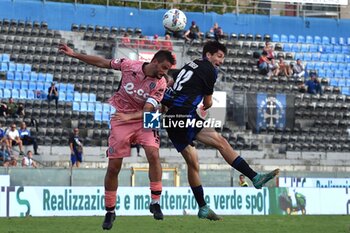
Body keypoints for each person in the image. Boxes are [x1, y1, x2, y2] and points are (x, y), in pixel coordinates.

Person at [59, 43, 175, 230]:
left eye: (167, 70)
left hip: (146, 116)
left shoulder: (160, 84)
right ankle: (110, 211)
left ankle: (155, 201)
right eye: (163, 68)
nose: (165, 73)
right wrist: (74, 54)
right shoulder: (129, 65)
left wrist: (130, 116)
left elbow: (148, 109)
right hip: (121, 116)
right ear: (154, 61)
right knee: (114, 167)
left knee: (154, 155)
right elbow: (102, 62)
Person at [162, 41, 279, 220]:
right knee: (221, 143)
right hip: (184, 115)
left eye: (223, 58)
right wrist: (203, 109)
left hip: (172, 119)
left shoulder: (191, 64)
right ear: (208, 55)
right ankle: (254, 177)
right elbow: (208, 103)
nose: (221, 61)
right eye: (219, 56)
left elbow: (174, 82)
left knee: (194, 163)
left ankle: (202, 207)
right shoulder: (209, 70)